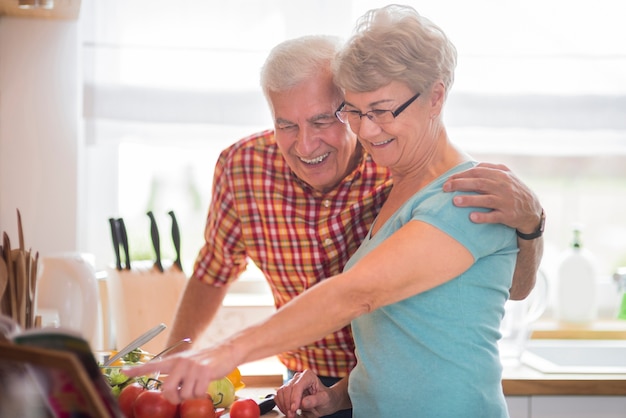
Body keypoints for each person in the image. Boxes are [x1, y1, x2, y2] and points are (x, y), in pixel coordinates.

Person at [150, 23, 544, 417]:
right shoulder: (401, 184)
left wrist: (225, 353)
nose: (368, 130)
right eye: (356, 112)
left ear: (435, 97)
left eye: (381, 111)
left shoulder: (463, 194)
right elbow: (400, 348)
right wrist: (338, 395)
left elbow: (358, 293)